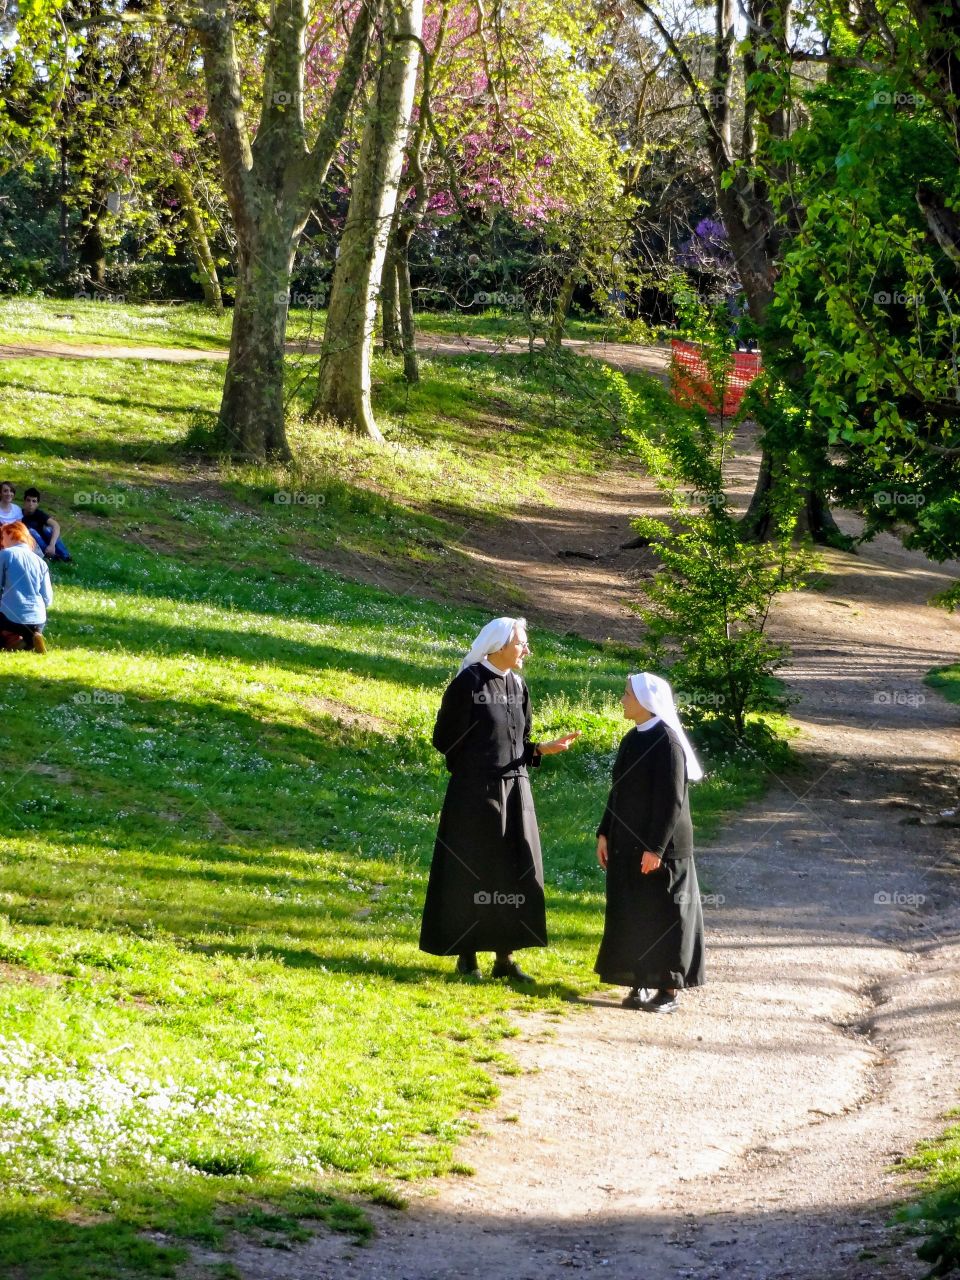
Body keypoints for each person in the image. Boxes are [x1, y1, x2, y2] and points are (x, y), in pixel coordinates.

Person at [420, 617, 580, 982]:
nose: (527, 650)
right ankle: (467, 956)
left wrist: (541, 749)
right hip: (474, 794)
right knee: (473, 870)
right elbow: (444, 738)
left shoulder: (519, 685)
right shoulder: (469, 682)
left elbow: (519, 742)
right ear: (499, 645)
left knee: (513, 869)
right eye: (522, 643)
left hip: (516, 790)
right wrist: (478, 768)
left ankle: (504, 958)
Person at [594, 672, 705, 1014]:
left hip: (664, 849)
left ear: (645, 701)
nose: (623, 700)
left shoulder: (668, 744)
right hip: (627, 842)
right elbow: (619, 790)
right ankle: (640, 981)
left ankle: (669, 989)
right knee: (636, 911)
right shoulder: (632, 739)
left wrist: (655, 848)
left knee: (667, 914)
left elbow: (671, 800)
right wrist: (604, 832)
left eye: (627, 694)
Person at [0, 520, 53, 653]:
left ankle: (13, 640)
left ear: (11, 534)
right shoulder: (41, 562)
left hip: (11, 618)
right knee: (26, 631)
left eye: (2, 537)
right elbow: (47, 599)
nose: (2, 542)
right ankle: (31, 639)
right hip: (38, 620)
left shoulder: (6, 555)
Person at [21, 488, 71, 562]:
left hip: (45, 541)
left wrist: (52, 545)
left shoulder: (39, 514)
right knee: (30, 531)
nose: (31, 504)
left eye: (34, 501)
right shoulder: (18, 514)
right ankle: (52, 557)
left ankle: (66, 557)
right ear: (24, 501)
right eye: (28, 500)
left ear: (37, 504)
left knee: (49, 530)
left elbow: (56, 525)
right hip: (34, 545)